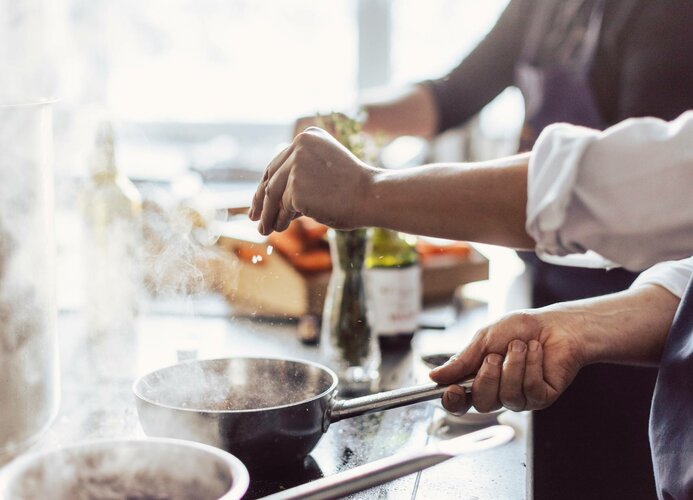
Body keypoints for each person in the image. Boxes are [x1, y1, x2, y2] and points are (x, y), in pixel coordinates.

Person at [295, 2, 693, 494]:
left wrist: (365, 191)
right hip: (570, 291)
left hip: (638, 328)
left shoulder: (668, 15)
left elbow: (634, 190)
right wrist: (343, 121)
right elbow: (453, 94)